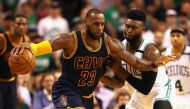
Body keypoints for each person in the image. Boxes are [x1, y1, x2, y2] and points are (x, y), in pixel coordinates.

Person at [11, 8, 174, 109]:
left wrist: (154, 63)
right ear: (86, 22)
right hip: (64, 90)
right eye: (96, 24)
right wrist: (29, 47)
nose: (100, 28)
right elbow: (41, 47)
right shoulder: (69, 39)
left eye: (102, 24)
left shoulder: (110, 43)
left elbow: (134, 64)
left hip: (87, 96)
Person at [119, 8, 175, 109]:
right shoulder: (120, 47)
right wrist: (101, 76)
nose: (129, 30)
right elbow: (118, 82)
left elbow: (146, 88)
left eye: (134, 27)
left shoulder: (150, 51)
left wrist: (118, 69)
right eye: (127, 26)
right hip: (138, 94)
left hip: (159, 90)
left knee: (161, 106)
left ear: (142, 29)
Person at [0, 15, 28, 109]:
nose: (21, 26)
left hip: (11, 82)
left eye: (24, 24)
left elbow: (18, 67)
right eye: (18, 24)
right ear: (12, 24)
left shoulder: (25, 40)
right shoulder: (2, 39)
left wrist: (17, 89)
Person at [164, 27, 190, 109]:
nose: (175, 38)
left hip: (188, 94)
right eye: (172, 36)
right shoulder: (164, 54)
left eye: (178, 36)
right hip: (171, 95)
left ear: (185, 38)